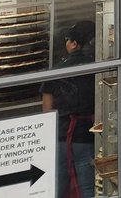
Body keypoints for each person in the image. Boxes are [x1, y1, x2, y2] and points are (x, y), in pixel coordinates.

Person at [41, 28, 96, 198]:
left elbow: (47, 109)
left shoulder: (56, 70)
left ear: (73, 44)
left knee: (59, 186)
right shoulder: (95, 67)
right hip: (85, 134)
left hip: (61, 135)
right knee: (88, 187)